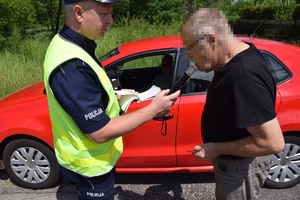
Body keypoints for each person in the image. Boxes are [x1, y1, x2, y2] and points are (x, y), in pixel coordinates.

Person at [43, 0, 180, 199]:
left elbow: (84, 93)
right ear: (79, 13)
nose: (111, 20)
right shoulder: (71, 67)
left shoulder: (67, 43)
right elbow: (99, 132)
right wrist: (153, 110)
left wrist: (114, 96)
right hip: (91, 168)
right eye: (104, 14)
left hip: (92, 162)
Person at [181, 8, 285, 200]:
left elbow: (273, 143)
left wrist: (218, 148)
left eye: (190, 47)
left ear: (212, 39)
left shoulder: (243, 76)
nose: (188, 55)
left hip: (239, 168)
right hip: (234, 165)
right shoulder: (235, 57)